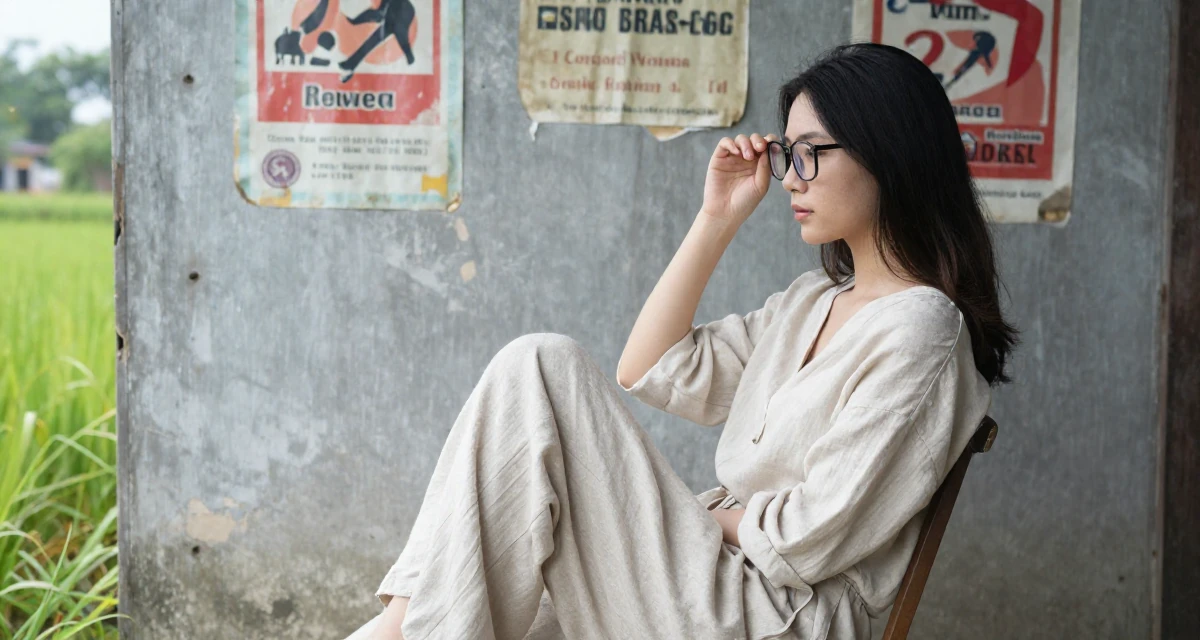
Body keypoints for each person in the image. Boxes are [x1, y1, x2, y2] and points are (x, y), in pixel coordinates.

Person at [343, 42, 1018, 640]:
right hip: (710, 581)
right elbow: (652, 366)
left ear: (889, 152)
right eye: (787, 154)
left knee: (541, 367)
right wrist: (715, 218)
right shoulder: (811, 304)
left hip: (774, 614)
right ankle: (396, 630)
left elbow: (807, 538)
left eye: (810, 153)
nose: (789, 177)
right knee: (492, 593)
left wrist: (668, 516)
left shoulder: (923, 330)